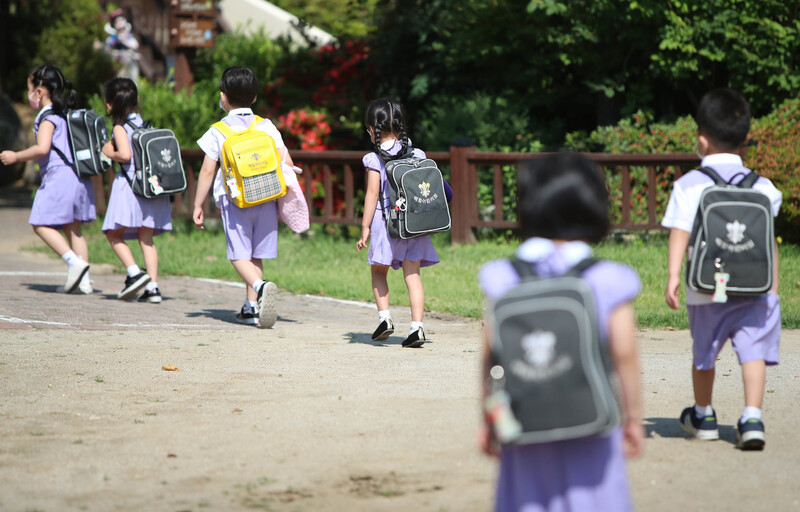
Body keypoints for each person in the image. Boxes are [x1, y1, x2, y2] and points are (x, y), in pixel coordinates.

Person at [478, 153, 644, 511]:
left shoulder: (503, 278)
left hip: (525, 430)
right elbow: (625, 354)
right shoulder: (607, 279)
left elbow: (492, 356)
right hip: (593, 428)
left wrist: (487, 419)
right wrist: (632, 419)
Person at [662, 88, 782, 450]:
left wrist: (672, 277)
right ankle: (752, 418)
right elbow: (767, 241)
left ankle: (704, 415)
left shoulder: (689, 186)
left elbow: (679, 234)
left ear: (701, 140)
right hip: (756, 288)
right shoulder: (765, 188)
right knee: (753, 352)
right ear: (747, 140)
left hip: (705, 288)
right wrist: (773, 289)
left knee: (705, 353)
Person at [194, 66, 293, 328]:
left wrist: (197, 204)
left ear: (223, 97)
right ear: (254, 97)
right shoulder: (266, 125)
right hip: (267, 198)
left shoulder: (218, 130)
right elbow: (287, 161)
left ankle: (260, 288)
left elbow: (206, 171)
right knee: (256, 254)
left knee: (238, 255)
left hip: (235, 200)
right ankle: (250, 307)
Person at [0, 65, 96, 294]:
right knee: (74, 229)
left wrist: (16, 156)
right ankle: (84, 281)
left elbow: (42, 148)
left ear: (40, 91)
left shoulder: (47, 116)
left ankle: (75, 264)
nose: (29, 94)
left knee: (40, 223)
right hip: (78, 177)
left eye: (30, 88)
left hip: (58, 176)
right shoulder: (64, 112)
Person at [356, 98, 440, 348]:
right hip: (413, 226)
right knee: (412, 275)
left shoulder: (374, 159)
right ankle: (417, 328)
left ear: (373, 129)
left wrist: (365, 228)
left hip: (386, 224)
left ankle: (385, 319)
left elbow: (372, 195)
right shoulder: (418, 154)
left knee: (378, 272)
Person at [101, 77, 172, 302]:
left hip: (129, 187)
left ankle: (134, 272)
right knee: (146, 238)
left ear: (109, 105)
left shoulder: (120, 127)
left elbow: (124, 155)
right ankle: (153, 288)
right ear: (137, 100)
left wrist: (107, 151)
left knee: (112, 233)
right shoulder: (146, 125)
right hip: (150, 188)